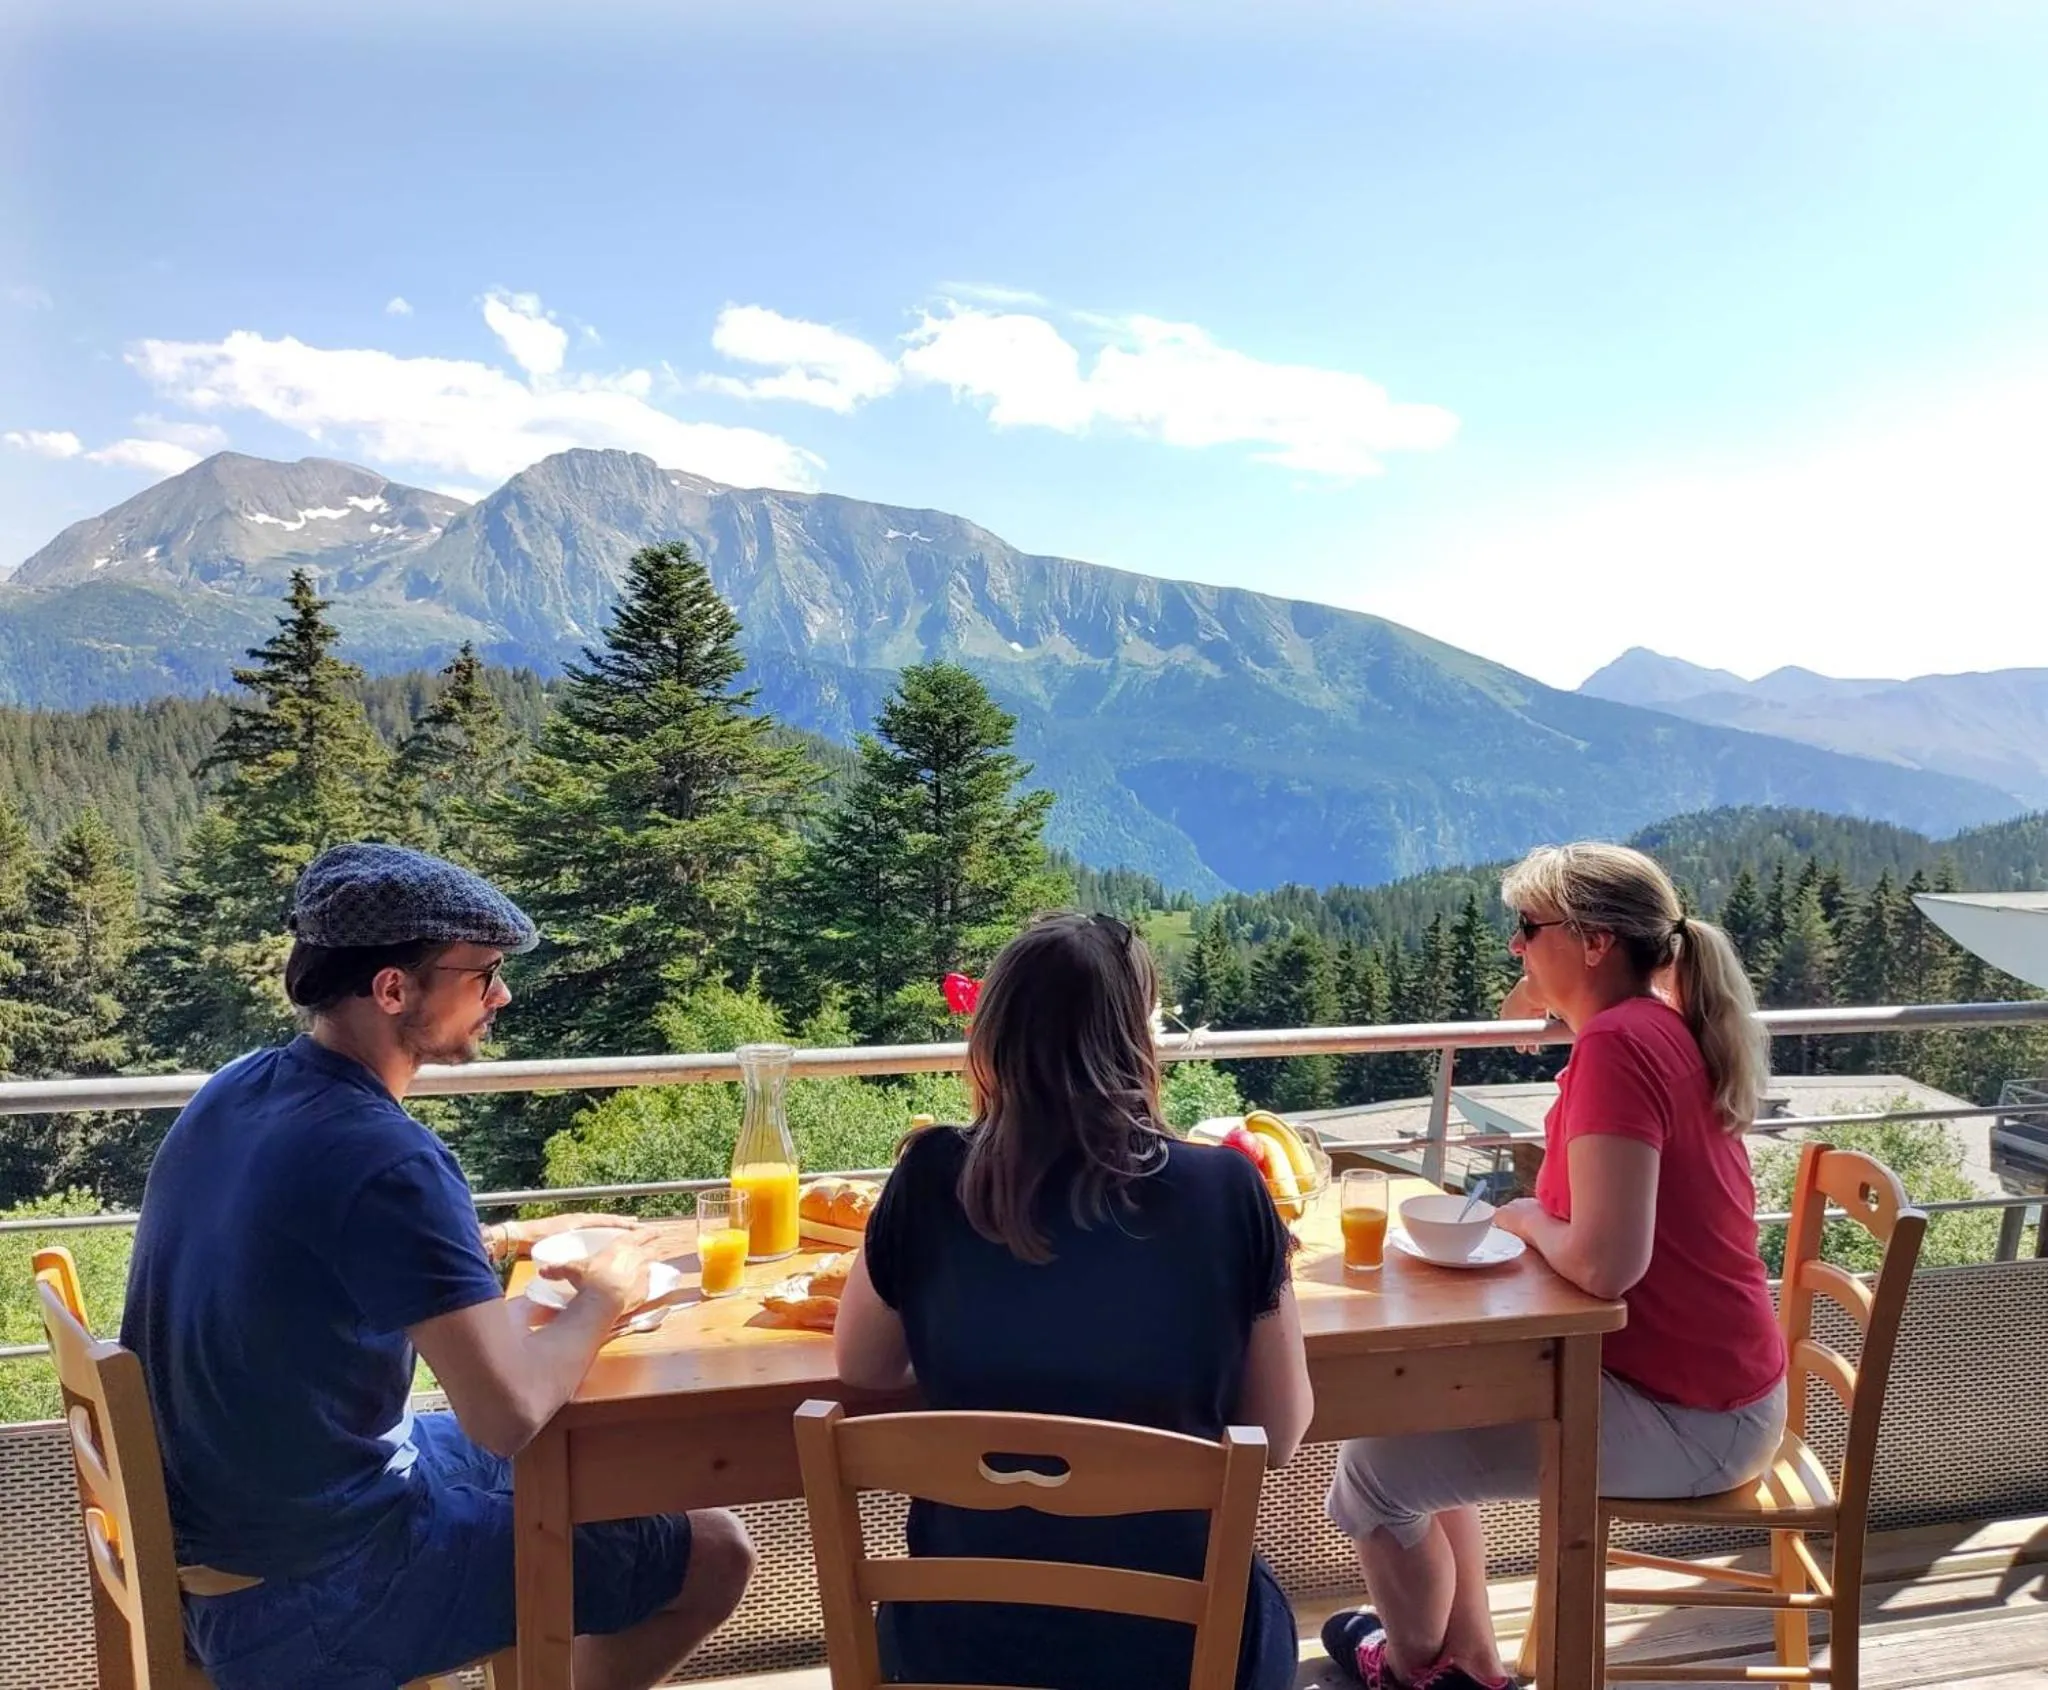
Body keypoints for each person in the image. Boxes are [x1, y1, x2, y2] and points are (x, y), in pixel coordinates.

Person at [121, 843, 754, 1690]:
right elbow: (507, 1415)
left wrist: (499, 1240)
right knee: (714, 1550)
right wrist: (604, 1295)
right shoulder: (388, 1157)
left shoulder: (241, 1087)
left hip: (229, 1539)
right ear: (393, 989)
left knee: (592, 1479)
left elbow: (309, 1249)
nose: (501, 995)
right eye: (483, 974)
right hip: (312, 1595)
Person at [1321, 842, 1788, 1690]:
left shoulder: (1619, 1046)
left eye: (1527, 929)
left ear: (1596, 941)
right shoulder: (1651, 1027)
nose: (1514, 945)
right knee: (1421, 1405)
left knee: (1374, 1470)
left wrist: (1523, 1216)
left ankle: (1414, 1671)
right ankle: (1471, 1665)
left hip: (1692, 1418)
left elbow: (1607, 1265)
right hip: (1707, 1387)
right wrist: (1545, 992)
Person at [834, 911, 1315, 1690]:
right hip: (1178, 1655)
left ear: (991, 1038)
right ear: (1137, 1042)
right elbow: (1281, 1432)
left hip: (958, 1649)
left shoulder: (929, 1177)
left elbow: (863, 1365)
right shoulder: (1227, 1190)